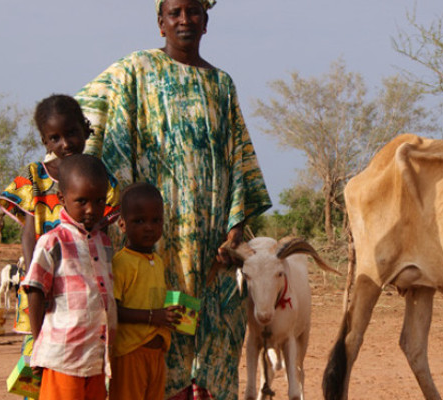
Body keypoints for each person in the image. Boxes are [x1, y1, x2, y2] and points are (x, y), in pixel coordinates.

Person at [75, 0, 272, 397]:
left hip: (212, 241)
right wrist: (73, 177)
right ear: (160, 22)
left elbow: (238, 157)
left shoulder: (221, 83)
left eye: (194, 11)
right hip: (154, 237)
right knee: (156, 331)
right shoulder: (135, 70)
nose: (185, 20)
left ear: (206, 20)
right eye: (175, 12)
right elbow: (79, 114)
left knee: (216, 332)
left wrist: (234, 229)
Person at [0, 94, 121, 387]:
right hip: (43, 279)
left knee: (81, 360)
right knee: (39, 359)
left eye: (72, 133)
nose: (65, 144)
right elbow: (29, 233)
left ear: (85, 130)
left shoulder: (96, 174)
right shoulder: (36, 177)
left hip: (81, 286)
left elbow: (109, 220)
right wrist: (34, 277)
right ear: (45, 142)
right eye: (55, 138)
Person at [21, 154, 119, 400]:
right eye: (82, 201)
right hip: (62, 357)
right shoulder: (52, 242)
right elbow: (35, 292)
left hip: (96, 358)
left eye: (99, 201)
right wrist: (38, 345)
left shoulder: (104, 243)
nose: (91, 209)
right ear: (62, 198)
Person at [110, 182, 182, 400]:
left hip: (156, 354)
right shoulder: (121, 263)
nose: (149, 227)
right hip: (130, 353)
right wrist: (153, 317)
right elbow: (112, 310)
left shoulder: (157, 262)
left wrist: (172, 315)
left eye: (156, 220)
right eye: (139, 221)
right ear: (122, 224)